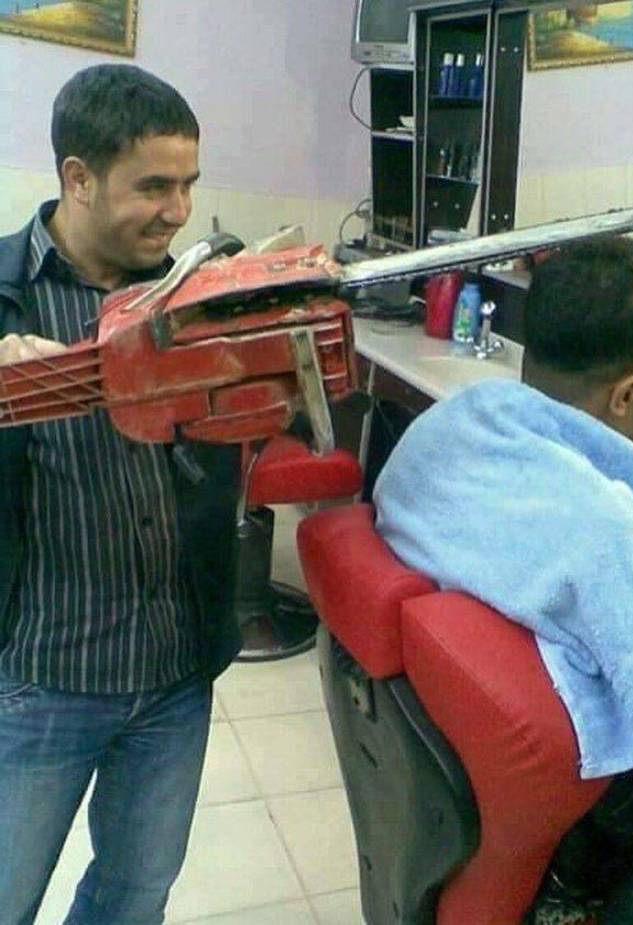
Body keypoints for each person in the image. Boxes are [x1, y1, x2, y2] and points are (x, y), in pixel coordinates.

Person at [373, 237, 633, 918]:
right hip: (595, 800)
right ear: (628, 395)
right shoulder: (606, 528)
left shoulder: (447, 430)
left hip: (461, 765)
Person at [0, 65, 243, 924]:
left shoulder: (193, 302)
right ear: (77, 178)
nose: (178, 211)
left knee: (134, 896)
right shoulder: (3, 296)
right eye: (153, 186)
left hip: (177, 670)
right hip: (38, 677)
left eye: (188, 185)